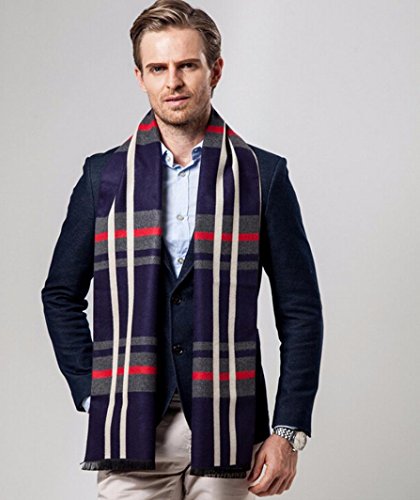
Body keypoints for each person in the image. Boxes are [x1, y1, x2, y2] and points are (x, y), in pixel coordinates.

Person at [41, 1, 324, 498]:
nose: (172, 82)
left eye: (187, 65)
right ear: (140, 77)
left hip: (230, 425)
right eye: (158, 68)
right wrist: (92, 390)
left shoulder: (263, 176)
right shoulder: (102, 178)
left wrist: (287, 431)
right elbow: (60, 294)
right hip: (130, 426)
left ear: (215, 70)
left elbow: (300, 311)